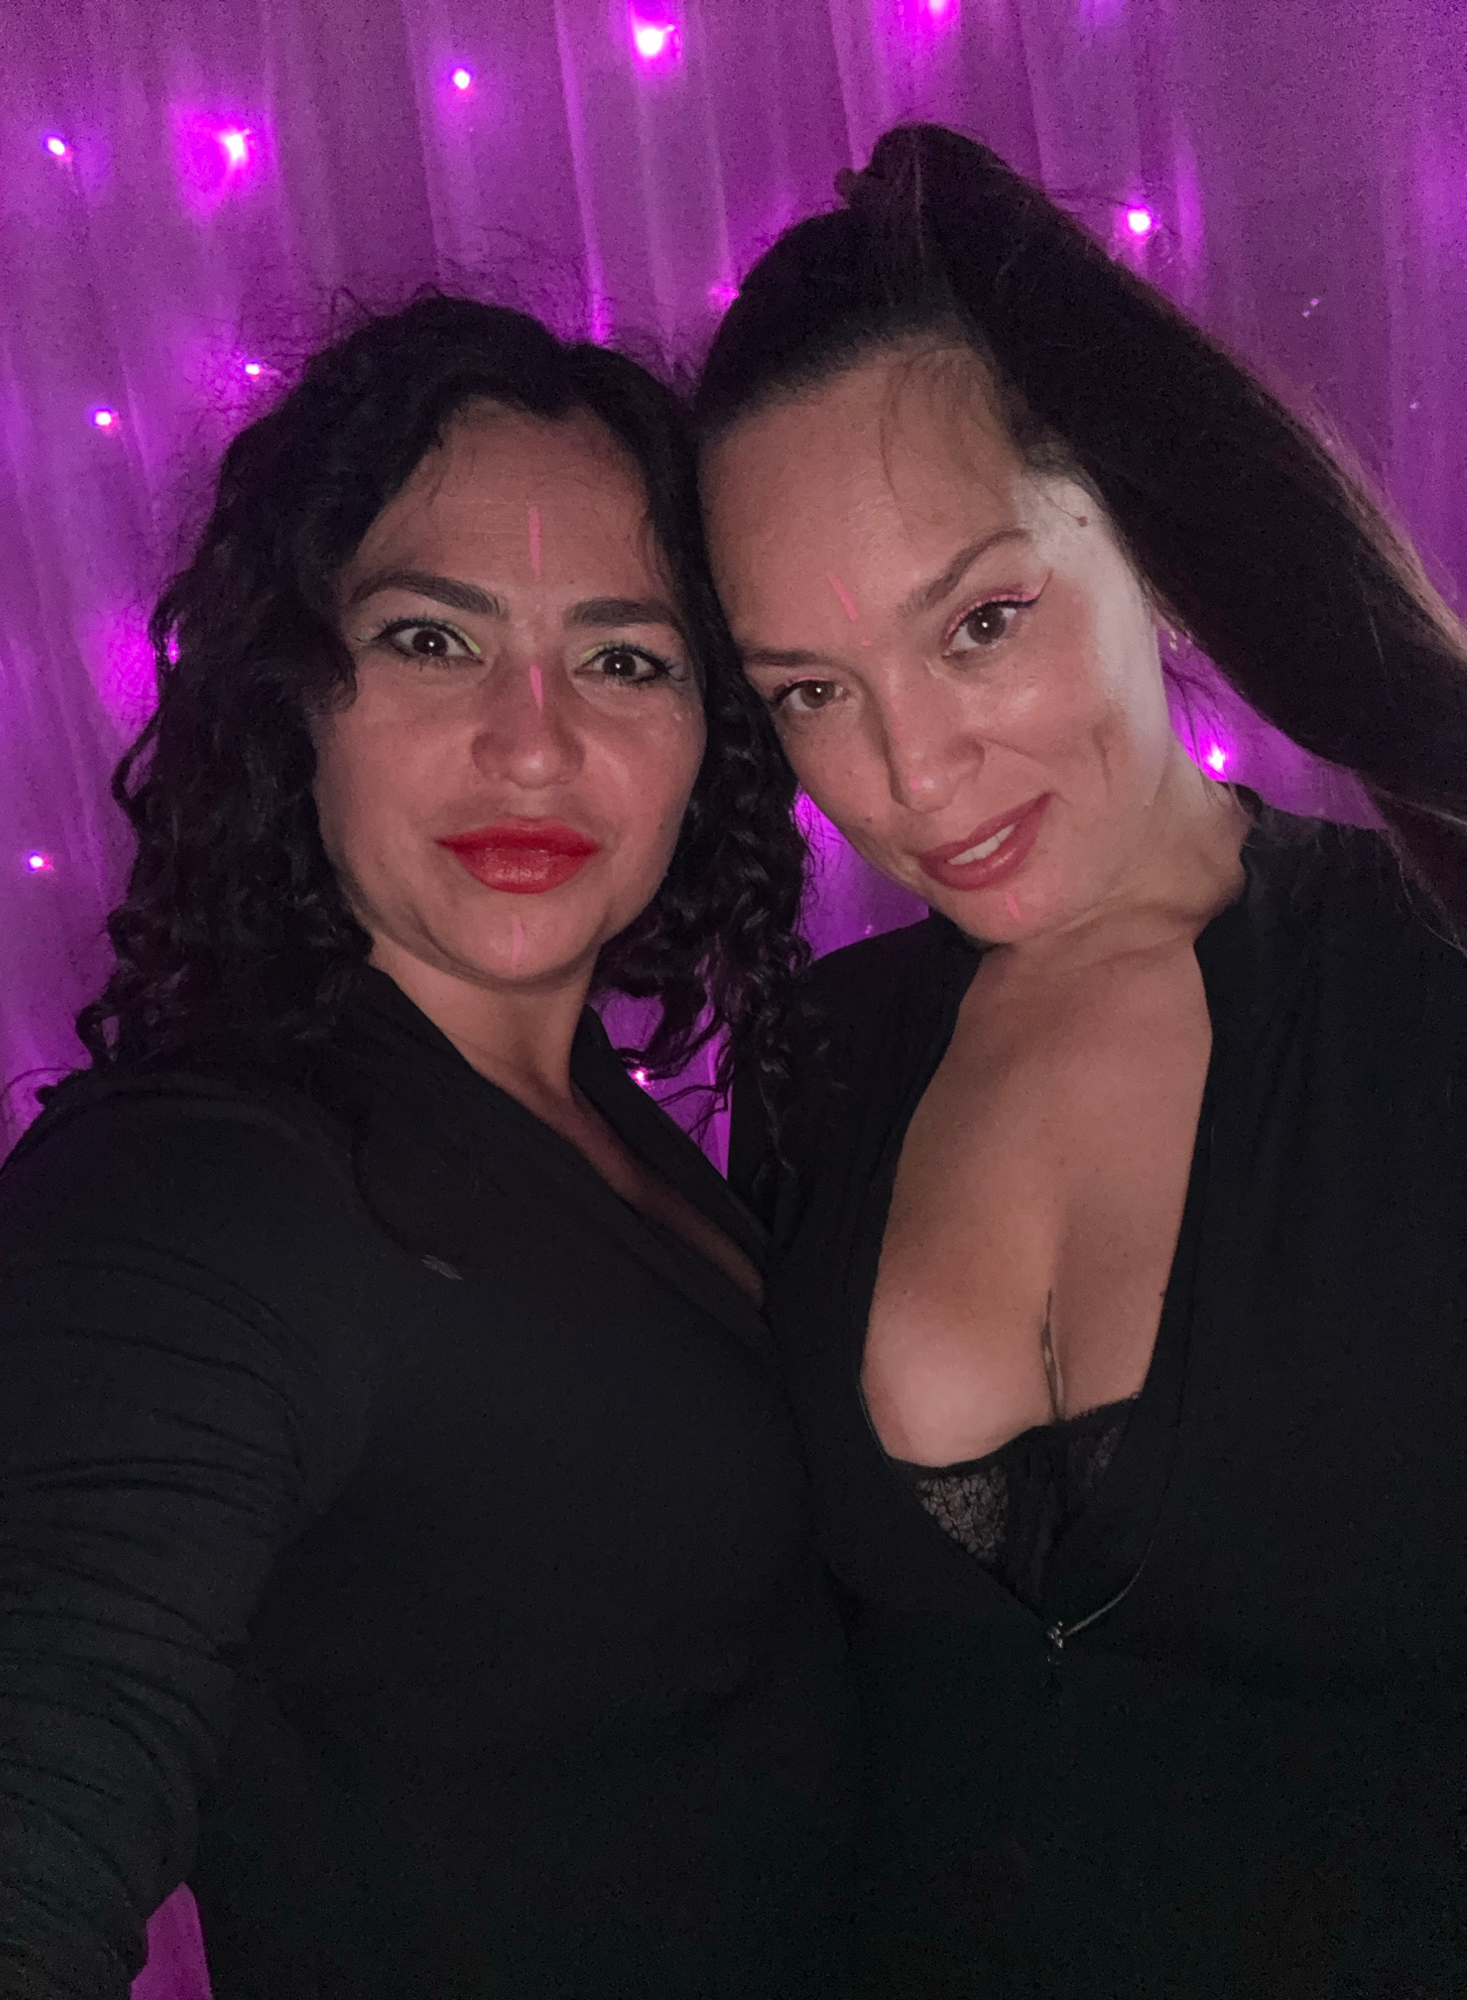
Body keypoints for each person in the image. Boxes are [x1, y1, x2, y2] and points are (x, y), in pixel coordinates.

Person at [0, 295, 852, 1999]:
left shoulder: (611, 1120)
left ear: (709, 739)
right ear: (293, 699)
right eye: (433, 639)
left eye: (624, 658)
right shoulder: (202, 1188)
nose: (534, 741)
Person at [694, 123, 1467, 1997]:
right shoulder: (815, 1067)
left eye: (981, 623)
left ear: (1149, 547)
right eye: (812, 691)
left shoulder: (1431, 979)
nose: (911, 773)